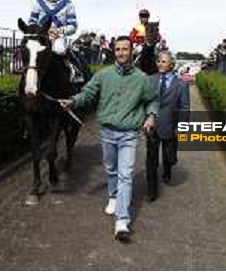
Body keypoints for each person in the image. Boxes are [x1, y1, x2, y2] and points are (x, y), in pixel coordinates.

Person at [60, 36, 159, 240]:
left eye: (125, 49)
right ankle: (113, 196)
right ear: (114, 52)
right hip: (107, 132)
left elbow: (152, 100)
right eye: (118, 49)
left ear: (132, 51)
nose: (121, 53)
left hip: (130, 134)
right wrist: (72, 101)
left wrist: (151, 116)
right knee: (111, 169)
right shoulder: (103, 75)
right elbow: (87, 93)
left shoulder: (142, 78)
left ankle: (122, 221)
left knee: (125, 174)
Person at [145, 51, 190, 201]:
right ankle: (152, 190)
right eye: (158, 61)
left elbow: (184, 107)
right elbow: (144, 101)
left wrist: (181, 127)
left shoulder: (181, 85)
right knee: (151, 159)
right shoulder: (150, 80)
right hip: (152, 126)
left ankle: (167, 170)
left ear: (171, 64)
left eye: (163, 61)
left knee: (169, 156)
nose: (160, 64)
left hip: (171, 126)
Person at [28, 0, 87, 82]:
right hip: (41, 36)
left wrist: (58, 31)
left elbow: (73, 26)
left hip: (58, 37)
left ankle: (73, 71)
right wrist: (38, 32)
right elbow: (31, 22)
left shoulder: (68, 4)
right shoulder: (38, 3)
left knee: (59, 50)